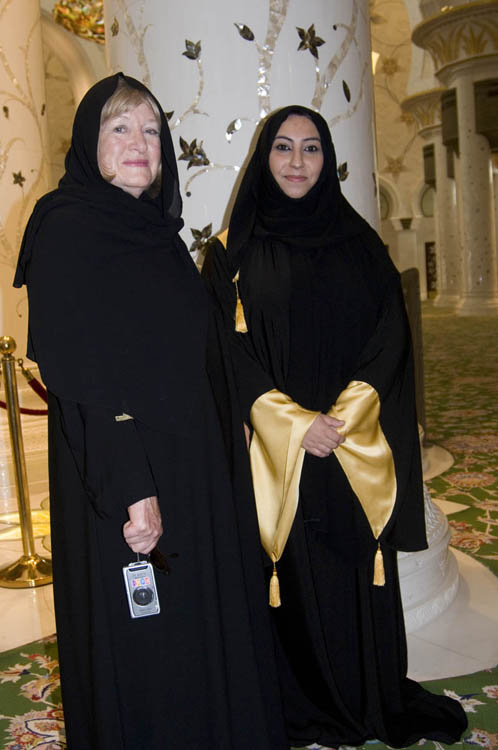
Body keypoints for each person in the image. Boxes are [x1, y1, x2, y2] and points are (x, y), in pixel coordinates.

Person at [14, 73, 288, 750]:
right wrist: (134, 490)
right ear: (89, 140)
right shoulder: (67, 228)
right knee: (147, 645)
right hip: (126, 478)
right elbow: (84, 376)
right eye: (119, 128)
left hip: (190, 466)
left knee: (194, 627)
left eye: (151, 130)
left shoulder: (159, 235)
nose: (139, 143)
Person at [202, 105, 468, 749]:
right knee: (287, 581)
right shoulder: (228, 252)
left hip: (350, 444)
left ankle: (364, 695)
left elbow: (390, 338)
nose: (297, 161)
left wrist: (340, 421)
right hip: (281, 452)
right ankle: (298, 704)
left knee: (354, 574)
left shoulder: (361, 244)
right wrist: (294, 424)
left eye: (312, 148)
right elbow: (221, 350)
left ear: (328, 160)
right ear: (263, 158)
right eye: (284, 148)